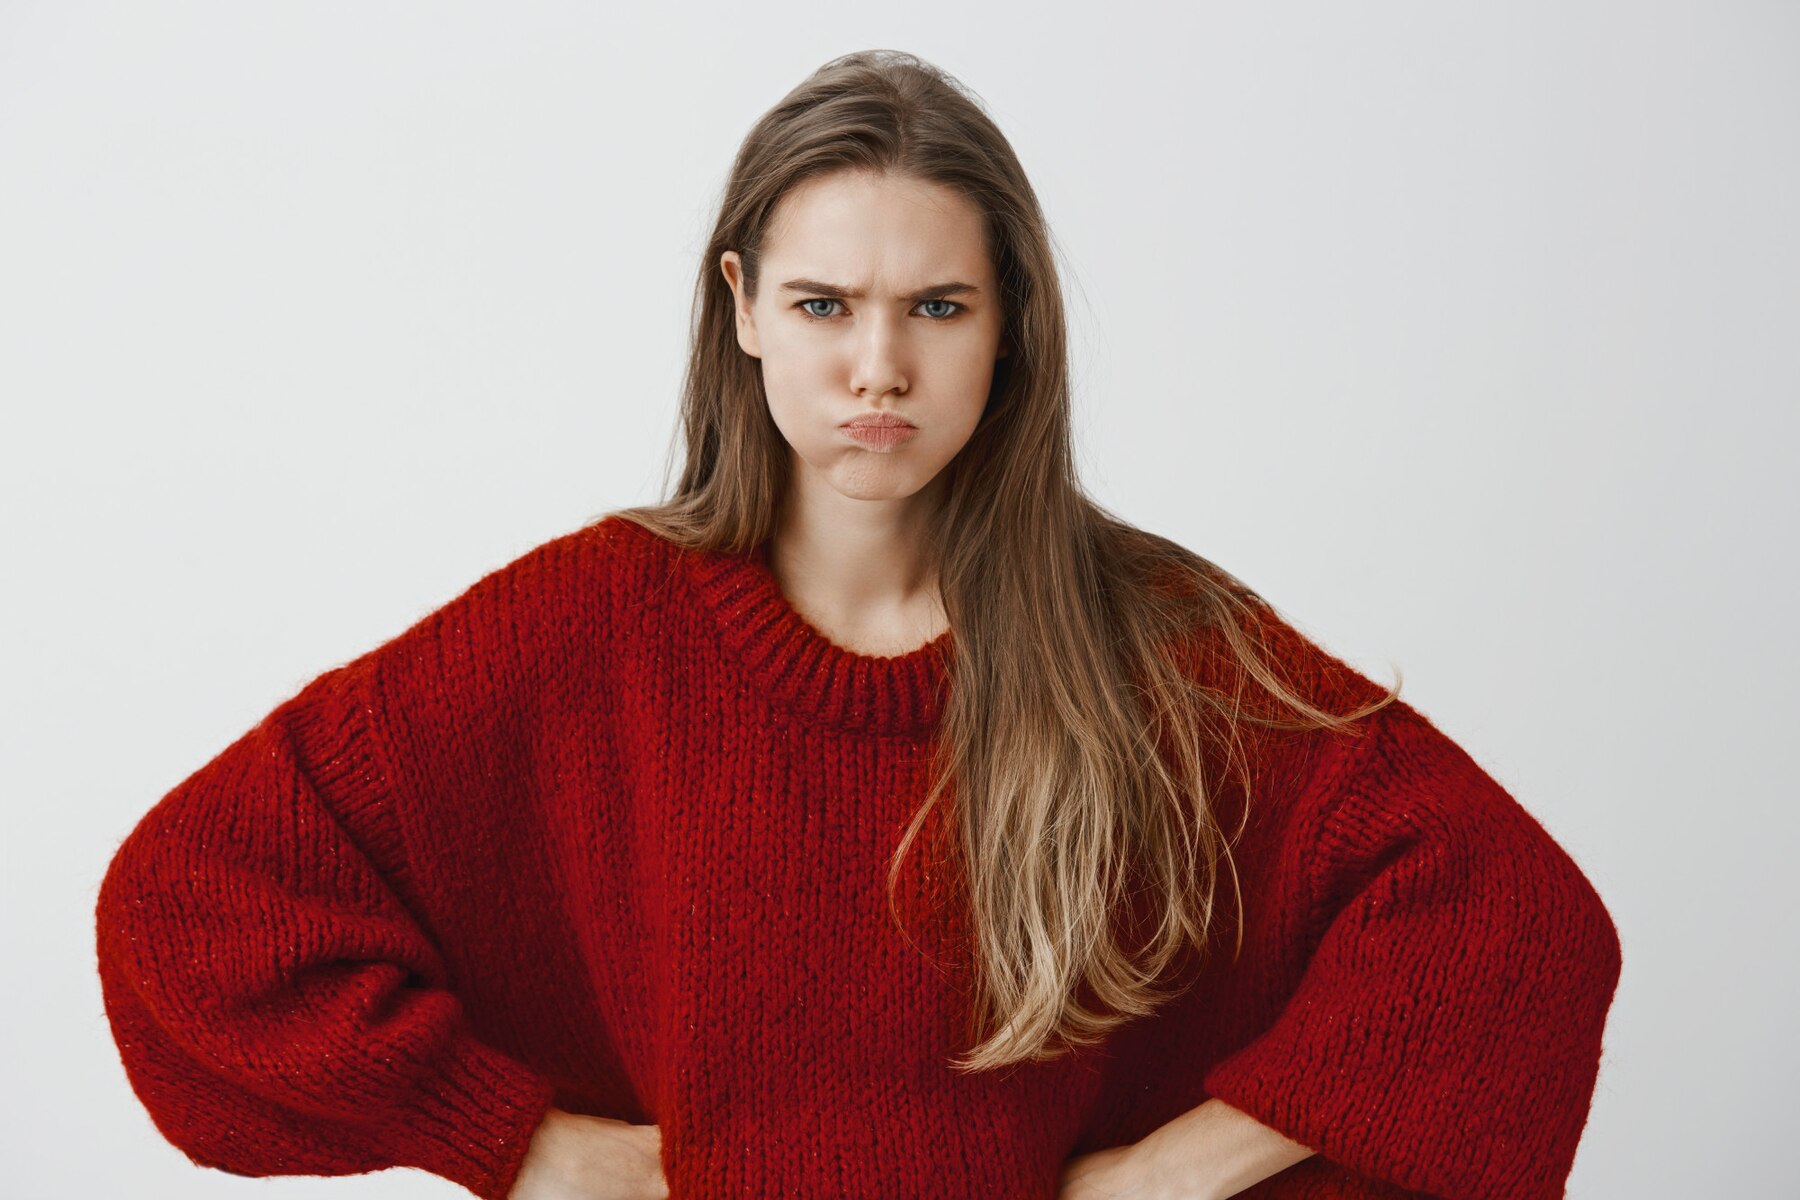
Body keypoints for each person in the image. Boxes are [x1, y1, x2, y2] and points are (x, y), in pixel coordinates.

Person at [94, 49, 1622, 1200]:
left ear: (1009, 321)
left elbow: (1516, 929)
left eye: (937, 307)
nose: (877, 365)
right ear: (743, 306)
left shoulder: (1151, 642)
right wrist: (513, 1142)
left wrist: (1177, 1170)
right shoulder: (581, 629)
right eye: (826, 305)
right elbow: (189, 902)